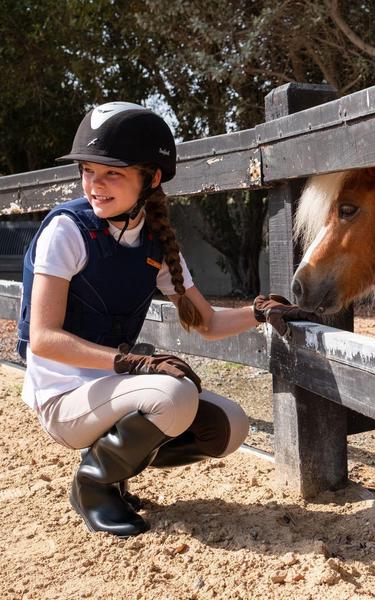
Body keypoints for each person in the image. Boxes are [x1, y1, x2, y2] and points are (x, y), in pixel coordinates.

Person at [17, 101, 317, 538]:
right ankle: (94, 486)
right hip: (64, 396)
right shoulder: (67, 231)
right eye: (87, 171)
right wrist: (137, 363)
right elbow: (43, 339)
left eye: (112, 173)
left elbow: (208, 322)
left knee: (229, 426)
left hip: (110, 389)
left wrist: (258, 312)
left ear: (151, 178)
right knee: (173, 396)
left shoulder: (155, 242)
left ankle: (114, 470)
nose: (94, 186)